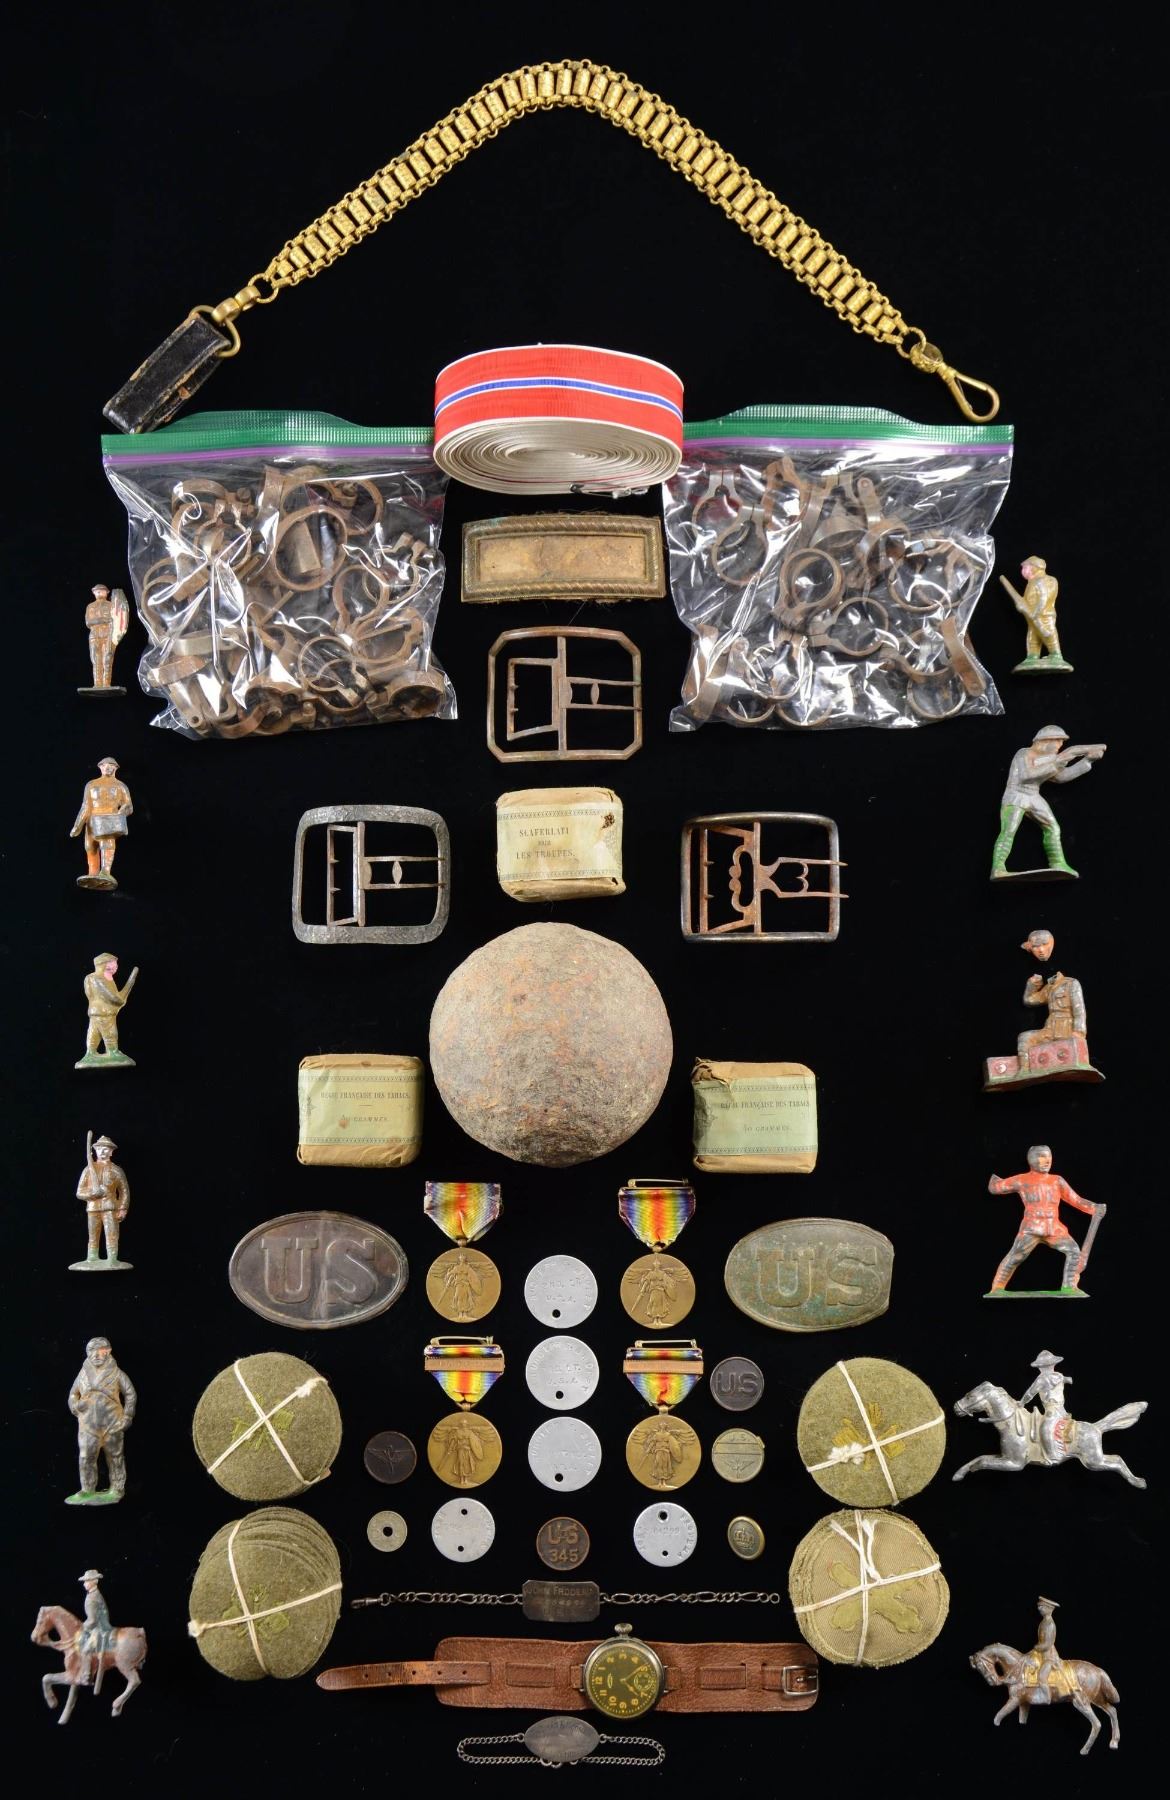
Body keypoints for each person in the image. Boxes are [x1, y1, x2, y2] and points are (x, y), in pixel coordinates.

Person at [989, 726, 1105, 878]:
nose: (1060, 745)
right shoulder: (1023, 753)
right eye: (1058, 741)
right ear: (1045, 741)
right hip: (1015, 795)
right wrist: (1058, 761)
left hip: (1033, 795)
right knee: (1009, 831)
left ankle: (1058, 863)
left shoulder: (1050, 759)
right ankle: (997, 868)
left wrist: (1087, 761)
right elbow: (1026, 775)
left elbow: (1060, 777)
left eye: (1061, 742)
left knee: (1053, 828)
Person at [988, 1146, 1096, 1292]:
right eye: (1041, 1156)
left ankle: (1069, 1287)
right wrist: (994, 1178)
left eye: (1049, 1156)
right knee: (1015, 1257)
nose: (1047, 1160)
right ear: (1031, 1159)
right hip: (1031, 1229)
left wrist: (1094, 1207)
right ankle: (997, 1288)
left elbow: (1076, 1200)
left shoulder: (1057, 1180)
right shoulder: (1022, 1180)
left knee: (1074, 1251)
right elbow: (995, 1188)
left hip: (1054, 1229)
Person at [68, 1336, 137, 1502]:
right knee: (86, 1457)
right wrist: (75, 1406)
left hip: (112, 1424)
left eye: (101, 1351)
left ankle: (117, 1488)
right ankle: (87, 1489)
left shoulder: (117, 1373)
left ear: (108, 1352)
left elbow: (130, 1394)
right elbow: (72, 1394)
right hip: (88, 1426)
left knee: (115, 1457)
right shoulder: (83, 1374)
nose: (96, 1355)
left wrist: (127, 1416)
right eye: (92, 1351)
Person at [1017, 931, 1087, 1054]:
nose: (1041, 950)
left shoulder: (1071, 984)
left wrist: (1079, 1033)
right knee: (1024, 1038)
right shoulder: (1049, 988)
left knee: (1061, 1056)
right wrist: (1032, 985)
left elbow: (1079, 1011)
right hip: (1049, 1030)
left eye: (1044, 944)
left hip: (1066, 1030)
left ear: (1052, 943)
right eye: (1035, 946)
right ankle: (1025, 1065)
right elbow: (1029, 1000)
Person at [69, 757, 133, 889]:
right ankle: (93, 874)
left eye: (111, 765)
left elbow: (129, 806)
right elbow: (86, 806)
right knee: (90, 847)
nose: (107, 768)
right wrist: (77, 826)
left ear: (116, 768)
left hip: (110, 820)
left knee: (106, 843)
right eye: (104, 765)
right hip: (92, 821)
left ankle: (105, 873)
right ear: (100, 767)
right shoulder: (91, 784)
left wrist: (122, 812)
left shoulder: (121, 786)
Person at [1000, 557, 1071, 672]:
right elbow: (1029, 599)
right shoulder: (1033, 582)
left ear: (1035, 568)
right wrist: (1022, 605)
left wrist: (1036, 613)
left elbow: (1044, 598)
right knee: (1033, 635)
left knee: (1048, 633)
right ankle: (1032, 656)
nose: (1023, 571)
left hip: (1043, 615)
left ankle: (1056, 655)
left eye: (1025, 568)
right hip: (1032, 615)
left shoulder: (1041, 581)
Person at [74, 1135, 130, 1267]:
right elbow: (79, 1192)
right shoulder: (88, 1170)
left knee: (112, 1234)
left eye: (106, 1149)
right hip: (93, 1208)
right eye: (99, 1149)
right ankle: (92, 1258)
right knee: (93, 1234)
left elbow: (124, 1191)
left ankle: (112, 1259)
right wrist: (92, 1194)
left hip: (111, 1208)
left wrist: (123, 1208)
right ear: (95, 1151)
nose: (102, 1151)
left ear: (111, 1152)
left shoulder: (116, 1170)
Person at [78, 953, 138, 1065]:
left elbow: (89, 994)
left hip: (94, 1011)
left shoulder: (90, 978)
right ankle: (112, 1052)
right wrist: (129, 985)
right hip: (104, 1012)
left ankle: (90, 1053)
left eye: (116, 965)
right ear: (104, 965)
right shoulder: (99, 979)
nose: (116, 967)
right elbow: (113, 998)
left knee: (94, 1032)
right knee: (110, 1032)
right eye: (113, 964)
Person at [1019, 1350, 1073, 1464]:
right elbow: (1067, 1379)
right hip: (1062, 1410)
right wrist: (1067, 1380)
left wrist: (1022, 1402)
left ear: (1040, 1367)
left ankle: (1052, 1456)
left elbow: (1030, 1393)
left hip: (1052, 1410)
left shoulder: (1041, 1379)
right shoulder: (1059, 1376)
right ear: (1053, 1365)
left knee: (1045, 1429)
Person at [75, 1570, 113, 1685]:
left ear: (94, 1581)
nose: (84, 1584)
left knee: (85, 1650)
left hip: (100, 1629)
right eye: (85, 1581)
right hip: (98, 1626)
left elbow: (92, 1620)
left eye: (86, 1581)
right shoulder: (93, 1594)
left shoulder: (92, 1598)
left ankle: (87, 1676)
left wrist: (81, 1627)